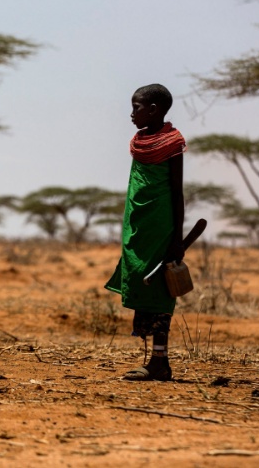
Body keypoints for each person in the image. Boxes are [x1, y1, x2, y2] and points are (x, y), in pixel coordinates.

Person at [105, 83, 185, 381]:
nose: (131, 114)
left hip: (161, 226)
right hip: (138, 226)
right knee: (141, 280)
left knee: (160, 287)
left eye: (135, 108)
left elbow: (177, 192)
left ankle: (160, 362)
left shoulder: (172, 143)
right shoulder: (140, 142)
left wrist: (177, 238)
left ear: (152, 110)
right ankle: (154, 360)